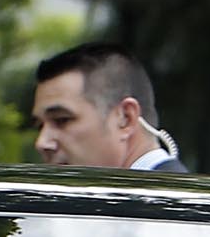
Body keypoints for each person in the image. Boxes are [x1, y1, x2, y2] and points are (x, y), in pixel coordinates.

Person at [32, 43, 187, 171]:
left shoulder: (175, 204)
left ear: (126, 118)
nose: (41, 142)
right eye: (40, 126)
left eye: (62, 120)